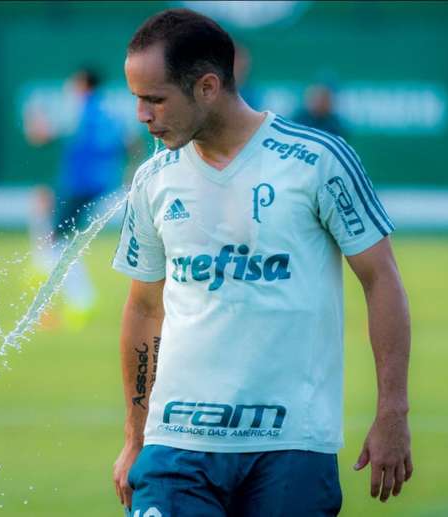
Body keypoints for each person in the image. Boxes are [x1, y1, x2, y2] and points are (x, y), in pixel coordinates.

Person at [112, 9, 412, 516]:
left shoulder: (318, 161)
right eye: (138, 99)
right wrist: (135, 436)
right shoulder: (153, 180)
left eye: (155, 99)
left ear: (207, 86)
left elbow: (381, 280)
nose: (142, 115)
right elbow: (143, 309)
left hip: (291, 445)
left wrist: (393, 411)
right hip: (176, 447)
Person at [24, 66, 127, 330]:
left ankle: (81, 299)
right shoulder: (109, 113)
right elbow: (131, 144)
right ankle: (44, 273)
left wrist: (33, 117)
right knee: (43, 206)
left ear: (82, 84)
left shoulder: (78, 109)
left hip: (78, 185)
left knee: (55, 242)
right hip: (101, 185)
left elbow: (40, 136)